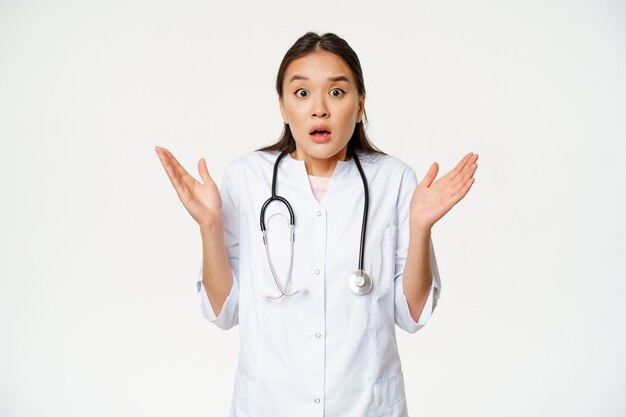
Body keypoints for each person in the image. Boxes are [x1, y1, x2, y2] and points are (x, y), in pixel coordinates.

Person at [156, 31, 478, 417]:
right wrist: (209, 225)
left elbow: (411, 315)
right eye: (302, 93)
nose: (319, 109)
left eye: (337, 93)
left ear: (360, 106)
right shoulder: (247, 178)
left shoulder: (393, 180)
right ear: (283, 106)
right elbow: (225, 312)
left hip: (366, 406)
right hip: (270, 405)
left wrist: (421, 226)